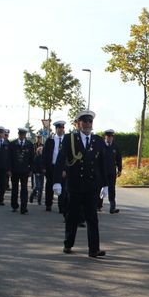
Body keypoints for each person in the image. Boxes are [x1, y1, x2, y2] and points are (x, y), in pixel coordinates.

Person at [53, 110, 107, 258]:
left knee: (92, 218)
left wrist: (105, 185)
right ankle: (68, 244)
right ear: (78, 124)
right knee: (72, 216)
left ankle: (94, 249)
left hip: (91, 186)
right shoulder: (70, 139)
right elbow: (61, 159)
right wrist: (57, 181)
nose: (88, 124)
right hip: (75, 185)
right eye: (84, 121)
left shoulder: (97, 140)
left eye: (90, 121)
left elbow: (102, 164)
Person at [8, 127, 34, 214]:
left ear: (25, 135)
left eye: (23, 134)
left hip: (24, 170)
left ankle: (23, 207)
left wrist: (31, 170)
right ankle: (14, 205)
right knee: (14, 188)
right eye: (21, 134)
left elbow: (32, 158)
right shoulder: (12, 144)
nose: (22, 136)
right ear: (18, 134)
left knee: (24, 189)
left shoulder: (29, 144)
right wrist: (9, 169)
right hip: (15, 170)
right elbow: (9, 158)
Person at [44, 121, 66, 213]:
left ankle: (62, 206)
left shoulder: (66, 141)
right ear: (56, 129)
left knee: (63, 187)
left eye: (62, 128)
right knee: (50, 186)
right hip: (52, 167)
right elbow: (45, 155)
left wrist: (65, 169)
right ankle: (48, 204)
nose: (61, 130)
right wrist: (44, 167)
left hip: (62, 168)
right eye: (59, 128)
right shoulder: (50, 140)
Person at [98, 129, 122, 214]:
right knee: (100, 188)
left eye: (111, 136)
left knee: (112, 189)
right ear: (105, 137)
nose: (110, 138)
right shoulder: (101, 146)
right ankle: (98, 205)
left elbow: (119, 158)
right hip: (102, 172)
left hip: (111, 171)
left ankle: (112, 207)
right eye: (108, 136)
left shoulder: (115, 146)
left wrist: (119, 169)